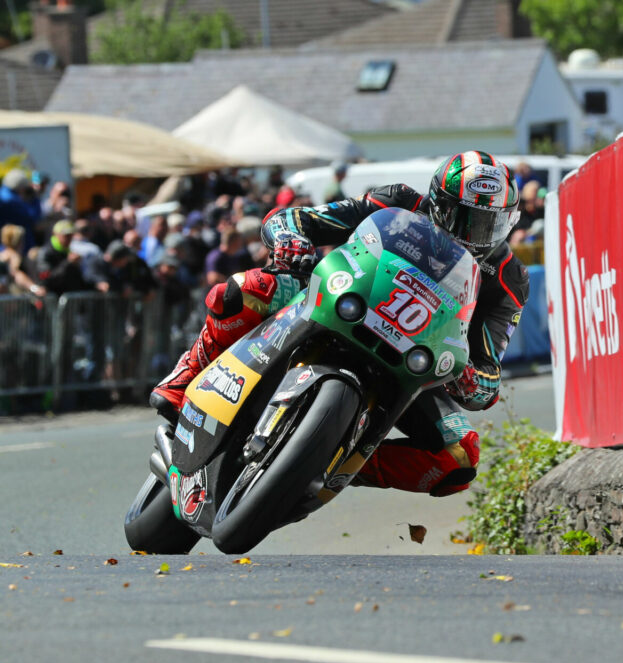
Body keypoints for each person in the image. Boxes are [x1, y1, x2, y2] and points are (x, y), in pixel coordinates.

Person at [150, 150, 528, 498]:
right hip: (339, 298)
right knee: (243, 291)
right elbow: (295, 219)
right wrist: (291, 240)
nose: (472, 234)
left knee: (460, 459)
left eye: (487, 225)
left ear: (508, 221)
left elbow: (489, 369)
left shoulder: (509, 279)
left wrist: (475, 381)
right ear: (439, 203)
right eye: (464, 218)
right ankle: (186, 376)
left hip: (413, 359)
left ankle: (330, 462)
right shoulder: (396, 201)